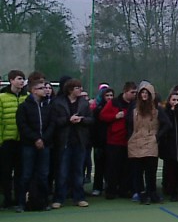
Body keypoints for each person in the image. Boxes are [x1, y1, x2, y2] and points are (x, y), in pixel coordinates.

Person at [50, 79, 93, 208]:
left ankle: (79, 197)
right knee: (62, 172)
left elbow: (91, 119)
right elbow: (54, 121)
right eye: (77, 88)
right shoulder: (58, 103)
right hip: (64, 142)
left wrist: (82, 120)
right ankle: (59, 198)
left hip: (79, 142)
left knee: (78, 172)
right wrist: (68, 120)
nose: (80, 89)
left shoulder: (84, 103)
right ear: (70, 90)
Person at [15, 79, 54, 212]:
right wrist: (36, 139)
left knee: (43, 175)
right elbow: (22, 125)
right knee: (26, 174)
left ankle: (44, 202)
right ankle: (21, 203)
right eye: (41, 88)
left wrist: (44, 139)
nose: (45, 90)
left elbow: (52, 124)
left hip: (45, 145)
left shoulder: (48, 106)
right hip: (29, 145)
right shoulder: (24, 107)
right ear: (33, 91)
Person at [127, 82, 164, 205]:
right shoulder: (133, 109)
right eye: (142, 92)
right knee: (137, 171)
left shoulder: (157, 110)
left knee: (151, 170)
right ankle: (141, 193)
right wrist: (130, 137)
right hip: (135, 142)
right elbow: (128, 124)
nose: (144, 95)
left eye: (147, 93)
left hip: (151, 142)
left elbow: (167, 124)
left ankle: (152, 192)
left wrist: (157, 136)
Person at [99, 82, 137, 199]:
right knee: (113, 167)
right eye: (132, 92)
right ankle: (111, 190)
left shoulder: (135, 104)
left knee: (127, 168)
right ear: (125, 91)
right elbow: (102, 116)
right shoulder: (114, 102)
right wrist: (115, 116)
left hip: (129, 140)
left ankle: (124, 190)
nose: (134, 94)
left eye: (135, 92)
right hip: (114, 140)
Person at [0, 70, 29, 209]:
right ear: (11, 80)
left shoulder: (27, 97)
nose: (21, 81)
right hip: (7, 141)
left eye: (23, 79)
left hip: (23, 141)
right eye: (18, 78)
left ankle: (19, 198)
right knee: (5, 172)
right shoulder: (2, 97)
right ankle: (7, 198)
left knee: (20, 172)